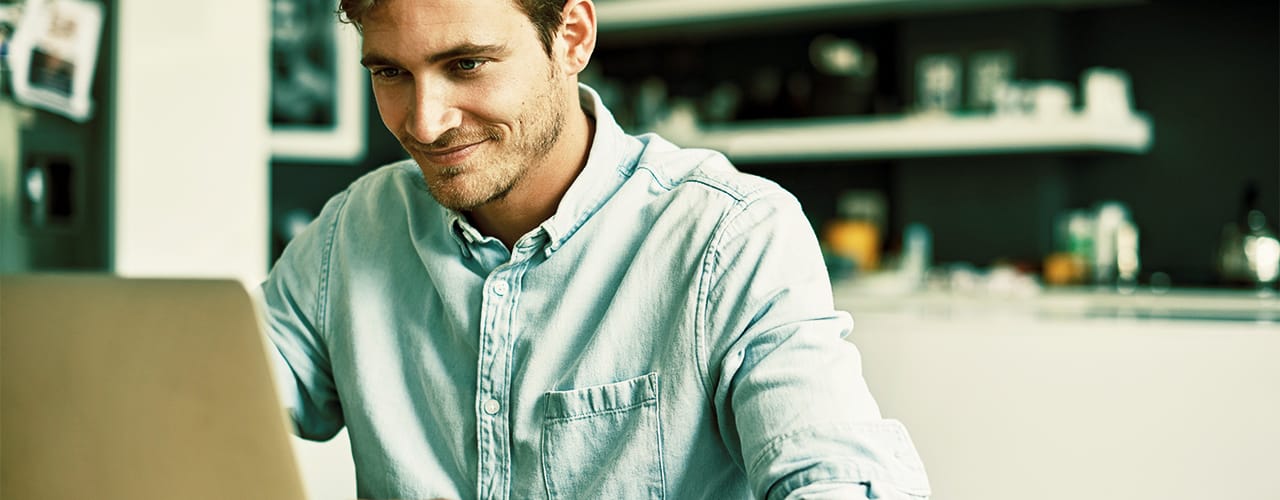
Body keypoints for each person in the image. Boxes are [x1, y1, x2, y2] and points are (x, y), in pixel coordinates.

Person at [260, 0, 932, 498]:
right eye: (390, 73)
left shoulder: (728, 234)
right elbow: (208, 387)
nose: (424, 120)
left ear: (572, 37)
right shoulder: (353, 232)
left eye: (466, 64)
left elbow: (834, 471)